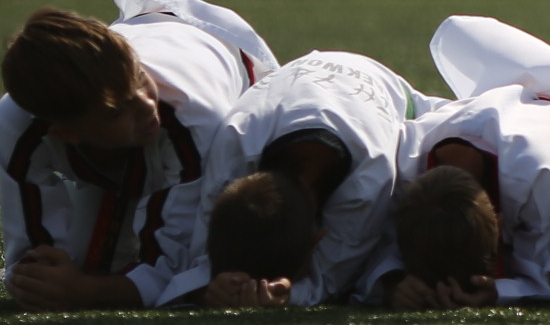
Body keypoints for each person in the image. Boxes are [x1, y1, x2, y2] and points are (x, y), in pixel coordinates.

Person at [0, 0, 277, 310]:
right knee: (78, 269)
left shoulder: (198, 120)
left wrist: (86, 292)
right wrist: (44, 281)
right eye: (116, 111)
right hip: (124, 128)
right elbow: (31, 266)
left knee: (227, 264)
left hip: (228, 53)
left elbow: (177, 271)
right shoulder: (15, 125)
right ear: (65, 133)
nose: (146, 106)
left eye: (140, 78)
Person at [177, 49, 427, 309]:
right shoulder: (235, 143)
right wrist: (210, 288)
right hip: (303, 77)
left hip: (390, 89)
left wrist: (285, 296)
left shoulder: (368, 182)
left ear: (317, 238)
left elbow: (333, 278)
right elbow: (205, 243)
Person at [378, 16, 550, 311]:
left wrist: (499, 290)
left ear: (501, 223)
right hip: (483, 117)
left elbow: (543, 263)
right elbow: (374, 242)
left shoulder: (536, 171)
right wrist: (395, 283)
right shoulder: (403, 160)